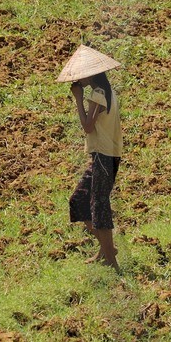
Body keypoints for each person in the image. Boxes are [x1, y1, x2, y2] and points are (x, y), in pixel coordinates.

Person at [58, 46, 124, 271]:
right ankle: (105, 250)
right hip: (104, 157)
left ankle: (110, 259)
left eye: (81, 74)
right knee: (79, 201)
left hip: (104, 157)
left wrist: (78, 98)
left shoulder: (97, 94)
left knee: (98, 207)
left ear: (91, 73)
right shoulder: (107, 91)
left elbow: (87, 127)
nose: (78, 78)